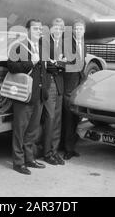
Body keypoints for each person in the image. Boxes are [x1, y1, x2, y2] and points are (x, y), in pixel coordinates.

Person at [7, 19, 49, 175]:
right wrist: (30, 63)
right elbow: (11, 66)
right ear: (28, 30)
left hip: (38, 96)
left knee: (32, 130)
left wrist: (45, 89)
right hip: (24, 95)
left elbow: (44, 71)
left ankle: (29, 159)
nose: (39, 31)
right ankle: (18, 162)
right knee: (20, 130)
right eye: (35, 28)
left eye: (40, 29)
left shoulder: (42, 47)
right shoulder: (19, 46)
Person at [42, 18, 66, 165]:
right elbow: (46, 65)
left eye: (61, 28)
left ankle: (54, 151)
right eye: (55, 28)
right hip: (49, 83)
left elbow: (68, 63)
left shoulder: (64, 45)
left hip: (59, 84)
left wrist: (56, 63)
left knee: (57, 119)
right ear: (51, 29)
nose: (58, 31)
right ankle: (46, 153)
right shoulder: (45, 42)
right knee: (49, 119)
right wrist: (58, 64)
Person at [62, 19, 86, 160]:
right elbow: (62, 64)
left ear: (84, 31)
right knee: (68, 119)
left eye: (80, 29)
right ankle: (67, 149)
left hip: (78, 84)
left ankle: (73, 146)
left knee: (76, 118)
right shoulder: (67, 44)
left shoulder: (84, 43)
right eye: (76, 29)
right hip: (68, 85)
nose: (78, 31)